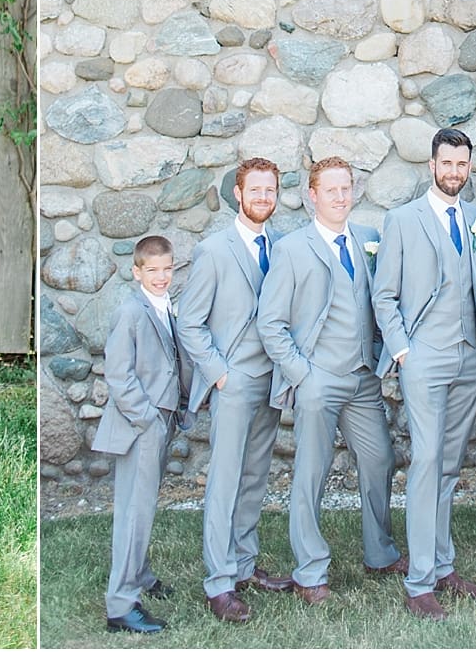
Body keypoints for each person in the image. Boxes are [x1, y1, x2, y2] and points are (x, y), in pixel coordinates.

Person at [256, 155, 400, 604]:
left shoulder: (369, 239)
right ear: (312, 195)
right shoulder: (293, 249)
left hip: (362, 378)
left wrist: (380, 356)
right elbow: (270, 323)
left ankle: (380, 553)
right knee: (311, 473)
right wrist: (304, 375)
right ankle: (310, 570)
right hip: (318, 378)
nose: (341, 196)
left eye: (347, 188)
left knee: (380, 461)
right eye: (332, 189)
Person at [372, 128, 476, 621]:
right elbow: (384, 296)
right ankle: (420, 581)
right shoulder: (402, 220)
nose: (454, 173)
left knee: (448, 465)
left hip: (471, 359)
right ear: (432, 165)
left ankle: (444, 566)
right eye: (447, 164)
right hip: (424, 357)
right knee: (425, 465)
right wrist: (404, 352)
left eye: (462, 165)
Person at [175, 159, 296, 624]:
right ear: (239, 195)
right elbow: (190, 321)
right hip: (234, 381)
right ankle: (219, 583)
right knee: (224, 482)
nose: (264, 198)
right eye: (255, 190)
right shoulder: (214, 250)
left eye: (271, 190)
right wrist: (219, 374)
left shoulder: (283, 246)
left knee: (254, 478)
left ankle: (244, 565)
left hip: (271, 380)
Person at [96, 234, 191, 635]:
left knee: (145, 505)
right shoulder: (131, 311)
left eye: (167, 269)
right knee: (134, 511)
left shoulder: (166, 305)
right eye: (152, 270)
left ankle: (141, 574)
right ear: (136, 272)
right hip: (142, 426)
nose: (161, 276)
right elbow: (118, 372)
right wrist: (148, 418)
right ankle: (121, 603)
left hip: (162, 420)